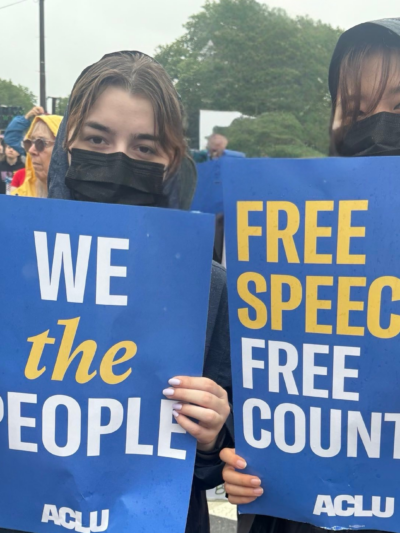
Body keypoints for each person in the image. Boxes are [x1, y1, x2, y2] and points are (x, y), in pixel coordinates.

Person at [220, 17, 400, 533]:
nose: (378, 124)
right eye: (359, 110)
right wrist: (241, 463)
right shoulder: (290, 246)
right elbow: (262, 400)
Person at [44, 51, 233, 533]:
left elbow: (222, 461)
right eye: (97, 138)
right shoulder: (10, 266)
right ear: (69, 143)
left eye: (145, 148)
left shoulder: (209, 287)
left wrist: (214, 433)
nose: (118, 159)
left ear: (172, 162)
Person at [12, 114, 62, 197]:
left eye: (41, 143)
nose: (31, 150)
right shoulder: (19, 198)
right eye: (29, 143)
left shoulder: (84, 200)